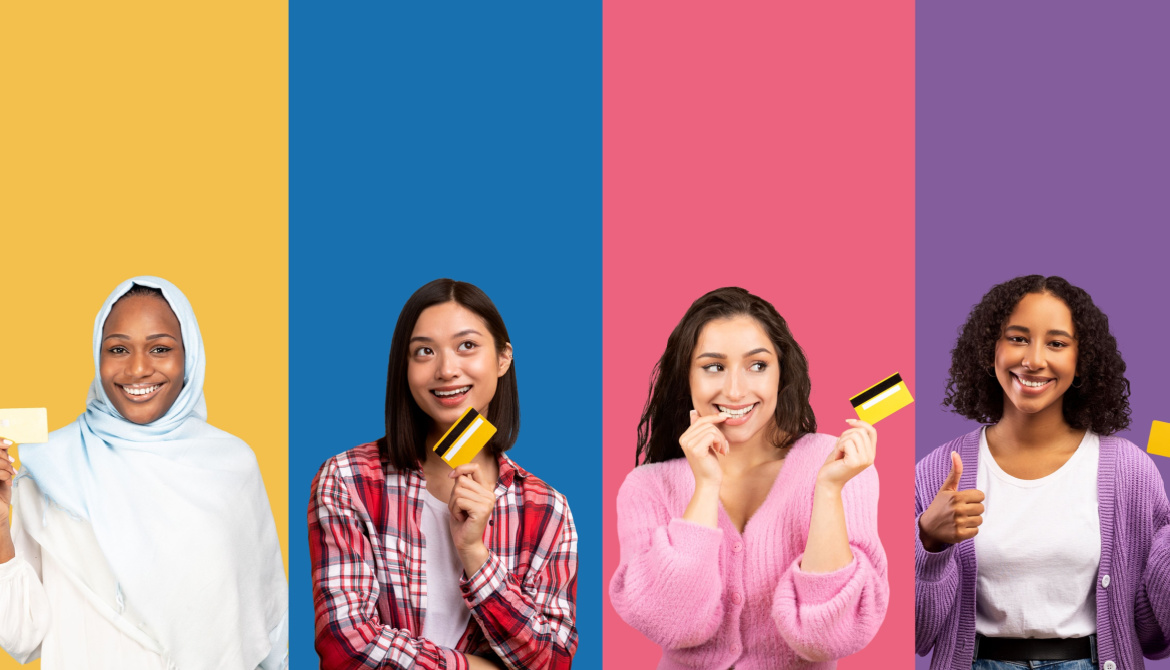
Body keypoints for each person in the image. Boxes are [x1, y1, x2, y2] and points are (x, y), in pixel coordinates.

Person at [0, 276, 288, 669]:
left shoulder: (232, 464)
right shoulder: (51, 468)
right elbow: (22, 638)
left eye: (160, 348)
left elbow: (268, 626)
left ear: (190, 357)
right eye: (118, 349)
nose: (138, 369)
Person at [609, 286, 889, 669]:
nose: (736, 390)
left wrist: (828, 491)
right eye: (714, 367)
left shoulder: (837, 463)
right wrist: (705, 486)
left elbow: (827, 638)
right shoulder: (647, 486)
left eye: (757, 365)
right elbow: (674, 625)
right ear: (686, 378)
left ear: (781, 373)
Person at [308, 278, 578, 670]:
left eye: (467, 346)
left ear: (503, 358)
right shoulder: (348, 480)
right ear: (405, 366)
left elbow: (552, 660)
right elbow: (346, 647)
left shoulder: (546, 509)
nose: (447, 369)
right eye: (424, 352)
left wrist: (475, 554)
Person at [915, 275, 1161, 670]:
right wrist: (929, 542)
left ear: (1081, 361)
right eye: (1017, 338)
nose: (1033, 359)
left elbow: (1155, 632)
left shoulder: (1129, 470)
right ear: (988, 349)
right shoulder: (938, 472)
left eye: (1057, 343)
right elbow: (915, 635)